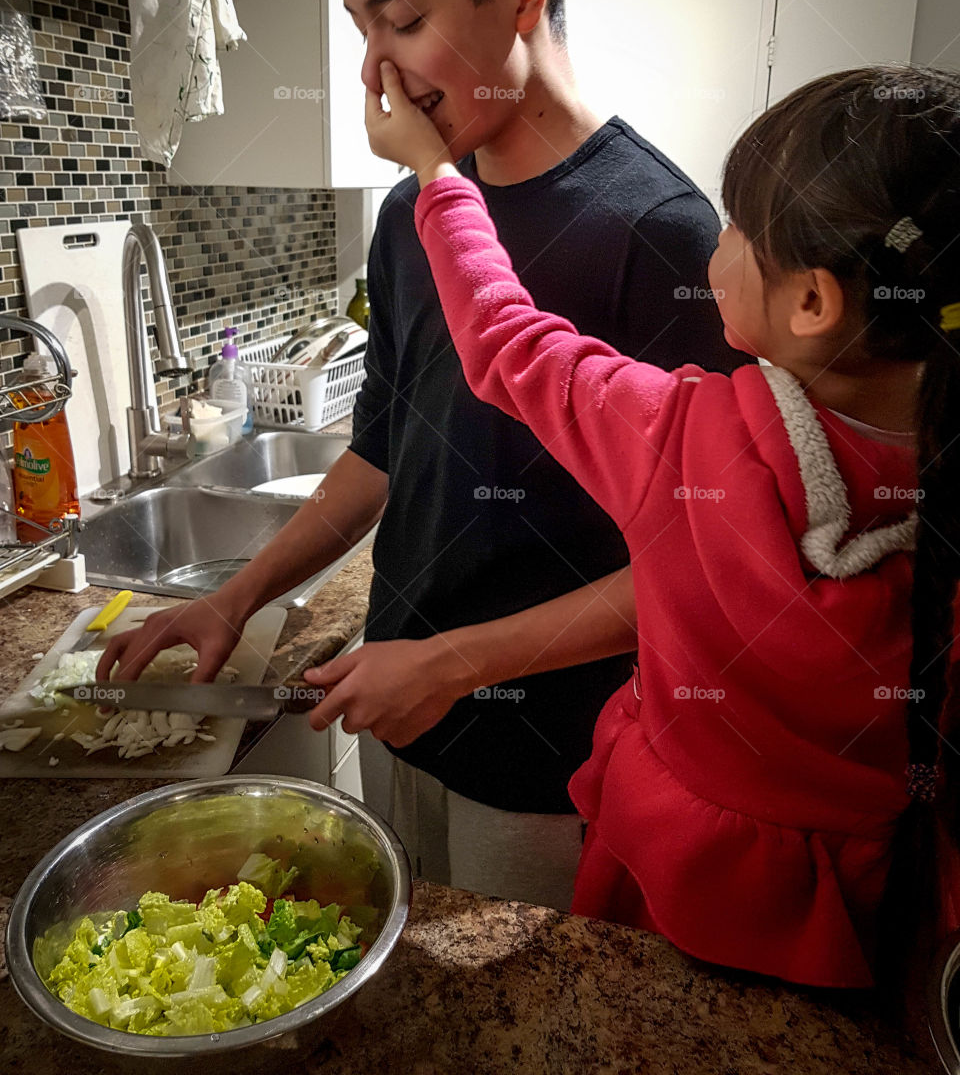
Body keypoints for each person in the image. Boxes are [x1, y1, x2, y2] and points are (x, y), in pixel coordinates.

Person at [97, 0, 748, 909]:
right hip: (398, 716)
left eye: (401, 18)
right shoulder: (414, 217)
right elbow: (387, 446)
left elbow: (703, 568)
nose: (377, 73)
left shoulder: (664, 236)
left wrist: (456, 665)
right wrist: (237, 598)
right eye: (361, 27)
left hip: (551, 763)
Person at [310, 55, 960, 993]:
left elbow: (506, 340)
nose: (715, 241)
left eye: (740, 229)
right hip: (869, 904)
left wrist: (436, 179)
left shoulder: (693, 439)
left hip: (686, 883)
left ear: (812, 302)